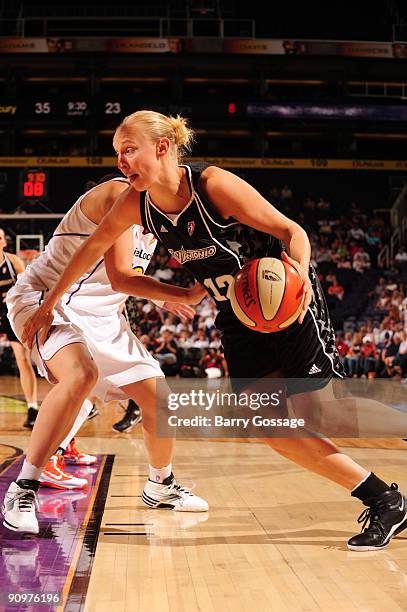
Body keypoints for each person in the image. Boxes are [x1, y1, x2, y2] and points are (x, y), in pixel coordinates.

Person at [19, 110, 407, 551]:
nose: (122, 162)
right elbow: (93, 248)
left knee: (321, 412)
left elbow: (291, 230)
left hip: (285, 302)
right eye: (117, 154)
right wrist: (49, 305)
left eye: (130, 150)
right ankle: (385, 500)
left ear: (162, 148)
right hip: (236, 317)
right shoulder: (134, 202)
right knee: (269, 426)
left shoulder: (213, 185)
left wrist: (296, 278)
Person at [2, 175, 209, 535]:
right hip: (50, 299)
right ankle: (23, 489)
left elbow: (126, 276)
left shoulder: (162, 218)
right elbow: (121, 277)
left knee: (160, 400)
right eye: (121, 150)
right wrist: (184, 294)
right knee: (81, 374)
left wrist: (162, 297)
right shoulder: (118, 194)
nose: (124, 160)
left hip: (103, 315)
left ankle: (160, 484)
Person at [0, 228, 39, 428]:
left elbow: (27, 288)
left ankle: (32, 407)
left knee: (23, 358)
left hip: (11, 313)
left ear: (4, 242)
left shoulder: (13, 262)